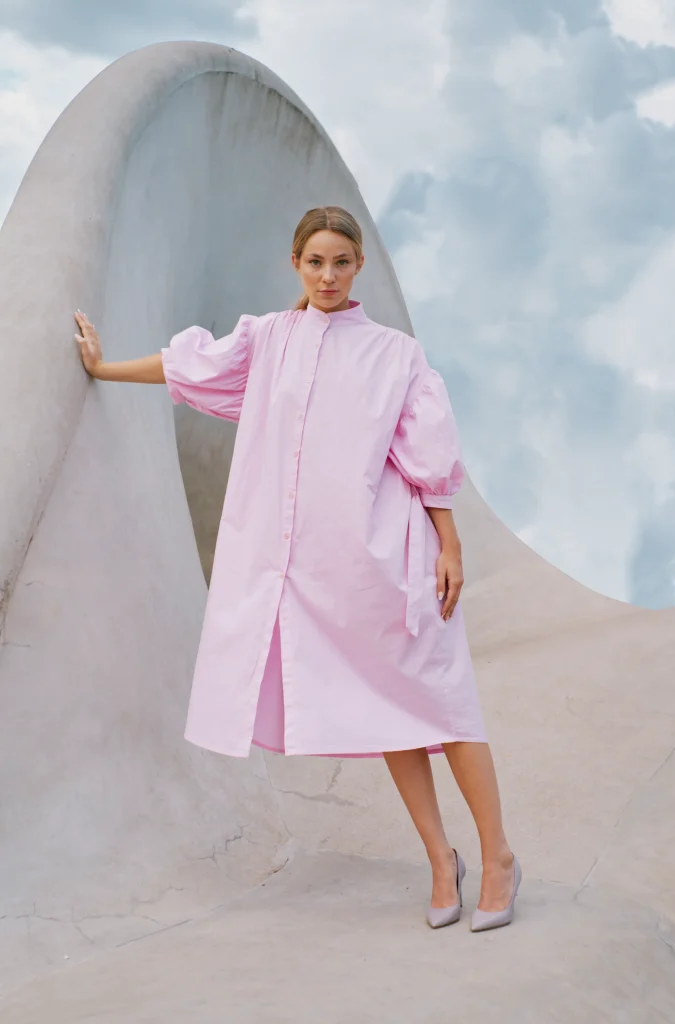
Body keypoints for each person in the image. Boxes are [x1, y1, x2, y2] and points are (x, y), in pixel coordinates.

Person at [74, 205, 521, 933]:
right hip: (310, 568)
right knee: (388, 716)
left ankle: (498, 858)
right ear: (296, 264)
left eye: (341, 262)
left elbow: (428, 457)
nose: (328, 276)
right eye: (315, 262)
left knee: (445, 707)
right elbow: (187, 368)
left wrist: (450, 545)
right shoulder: (268, 339)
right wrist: (103, 368)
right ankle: (442, 860)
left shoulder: (396, 354)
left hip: (389, 557)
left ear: (359, 266)